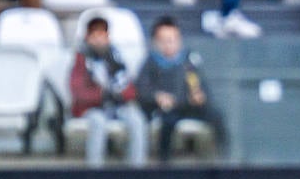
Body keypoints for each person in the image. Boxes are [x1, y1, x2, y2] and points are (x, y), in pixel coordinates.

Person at [135, 16, 228, 161]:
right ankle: (164, 165)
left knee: (216, 115)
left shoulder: (189, 60)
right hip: (165, 110)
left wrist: (200, 96)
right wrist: (157, 97)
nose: (169, 44)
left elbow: (201, 85)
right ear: (156, 41)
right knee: (167, 124)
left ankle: (224, 159)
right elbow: (142, 89)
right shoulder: (151, 62)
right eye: (164, 40)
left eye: (172, 39)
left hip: (189, 106)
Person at [69, 15, 148, 167]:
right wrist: (101, 95)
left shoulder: (115, 57)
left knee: (137, 119)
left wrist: (120, 95)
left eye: (103, 35)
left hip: (117, 106)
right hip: (91, 108)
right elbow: (77, 91)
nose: (99, 39)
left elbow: (129, 88)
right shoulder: (82, 58)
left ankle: (137, 169)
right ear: (88, 37)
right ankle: (95, 170)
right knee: (98, 122)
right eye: (95, 35)